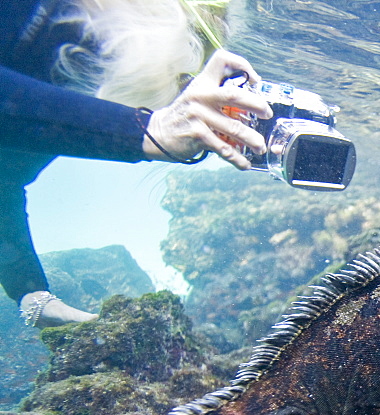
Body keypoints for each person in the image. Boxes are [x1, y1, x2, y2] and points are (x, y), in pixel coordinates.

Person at [1, 0, 273, 327]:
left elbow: (7, 178)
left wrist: (30, 293)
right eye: (92, 47)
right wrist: (144, 130)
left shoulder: (64, 85)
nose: (65, 71)